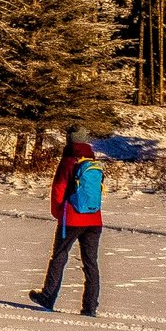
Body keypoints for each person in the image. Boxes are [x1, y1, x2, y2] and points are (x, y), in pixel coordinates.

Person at [29, 129, 103, 315]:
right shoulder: (93, 162)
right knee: (91, 263)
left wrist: (58, 214)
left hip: (71, 219)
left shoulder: (69, 160)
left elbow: (58, 189)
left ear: (69, 140)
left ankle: (48, 296)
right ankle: (90, 306)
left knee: (60, 256)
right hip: (94, 220)